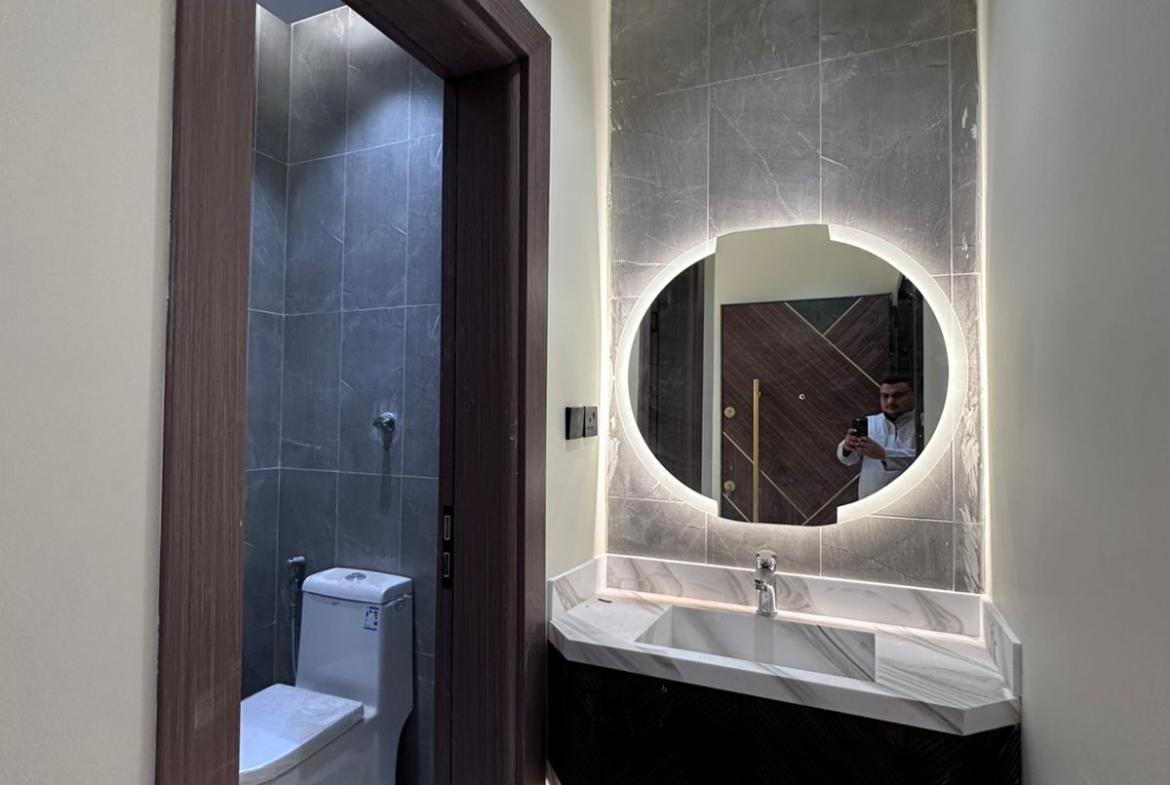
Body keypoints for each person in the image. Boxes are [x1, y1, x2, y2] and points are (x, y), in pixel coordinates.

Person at [837, 376, 918, 499]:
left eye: (897, 395)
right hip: (871, 500)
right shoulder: (869, 422)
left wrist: (883, 454)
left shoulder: (925, 423)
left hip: (910, 499)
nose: (890, 401)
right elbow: (848, 460)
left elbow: (924, 460)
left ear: (913, 395)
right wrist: (847, 448)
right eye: (885, 396)